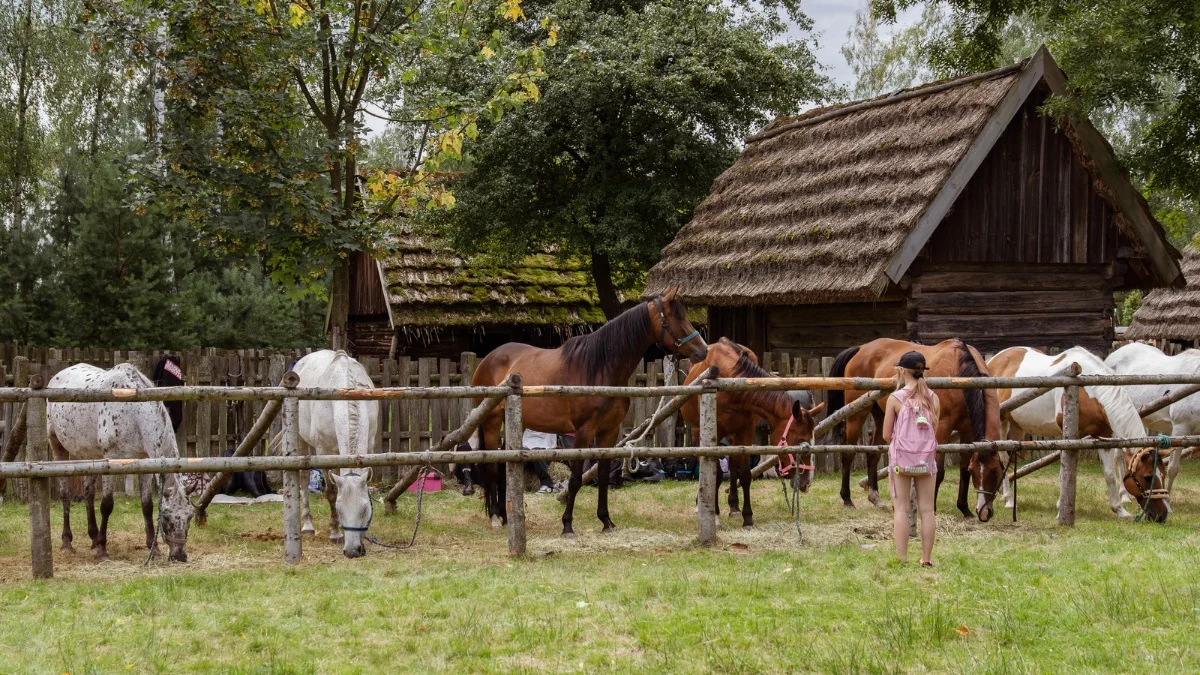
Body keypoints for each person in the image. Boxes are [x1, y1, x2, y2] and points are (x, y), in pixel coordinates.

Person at [881, 351, 940, 567]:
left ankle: (902, 558)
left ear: (902, 371)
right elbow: (935, 429)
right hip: (926, 461)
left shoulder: (895, 399)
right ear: (923, 371)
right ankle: (926, 558)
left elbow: (887, 435)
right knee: (927, 509)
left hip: (901, 461)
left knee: (902, 508)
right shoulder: (933, 398)